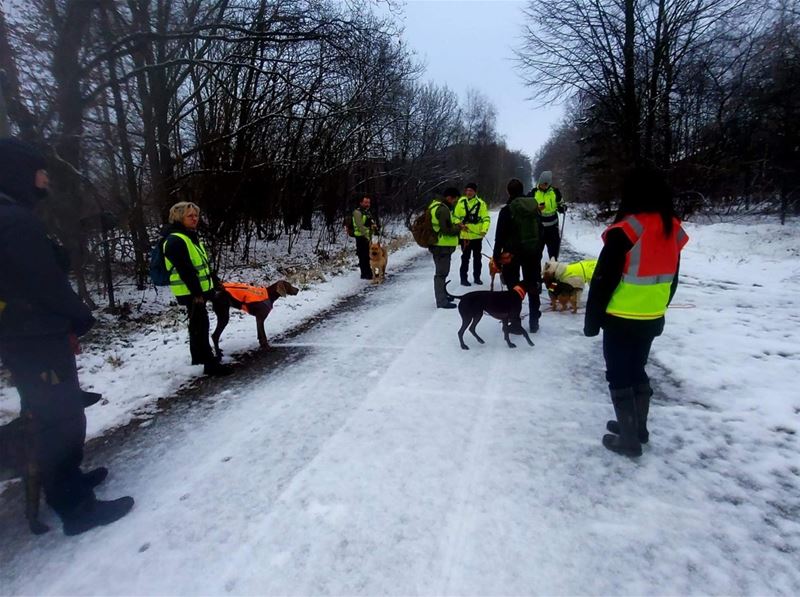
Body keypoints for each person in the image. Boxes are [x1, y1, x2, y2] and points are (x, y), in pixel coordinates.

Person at [0, 138, 134, 535]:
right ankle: (75, 507)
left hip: (27, 336)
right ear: (20, 172)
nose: (45, 177)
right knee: (57, 418)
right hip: (35, 337)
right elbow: (43, 283)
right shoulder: (13, 220)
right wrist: (79, 316)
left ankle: (69, 479)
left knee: (54, 412)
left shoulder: (14, 216)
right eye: (39, 170)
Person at [583, 165, 689, 457]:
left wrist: (592, 320)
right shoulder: (673, 228)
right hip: (652, 316)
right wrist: (661, 306)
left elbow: (603, 280)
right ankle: (637, 429)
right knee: (637, 369)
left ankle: (629, 441)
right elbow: (674, 276)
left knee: (618, 375)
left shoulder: (628, 229)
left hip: (620, 317)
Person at [163, 201, 231, 376]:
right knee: (201, 325)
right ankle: (210, 364)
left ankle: (199, 357)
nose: (195, 219)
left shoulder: (190, 237)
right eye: (190, 216)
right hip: (191, 291)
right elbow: (185, 269)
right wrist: (197, 293)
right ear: (179, 218)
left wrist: (215, 282)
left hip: (199, 289)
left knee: (197, 324)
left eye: (196, 215)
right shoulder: (175, 240)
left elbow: (202, 265)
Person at [493, 178, 544, 332]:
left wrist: (497, 258)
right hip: (532, 253)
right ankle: (534, 321)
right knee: (533, 286)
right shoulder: (534, 207)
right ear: (522, 190)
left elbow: (499, 237)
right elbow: (541, 232)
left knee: (513, 289)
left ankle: (515, 323)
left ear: (508, 192)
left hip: (512, 254)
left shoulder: (507, 210)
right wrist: (538, 251)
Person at [428, 187, 466, 309]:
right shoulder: (443, 209)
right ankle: (441, 301)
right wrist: (458, 228)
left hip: (437, 245)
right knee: (441, 274)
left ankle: (443, 295)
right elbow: (446, 230)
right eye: (454, 200)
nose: (454, 202)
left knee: (442, 273)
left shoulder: (434, 206)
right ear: (450, 197)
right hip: (442, 246)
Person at [454, 182, 490, 286]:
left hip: (477, 236)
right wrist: (459, 224)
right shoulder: (460, 202)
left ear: (475, 192)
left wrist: (484, 230)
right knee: (465, 258)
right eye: (467, 190)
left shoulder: (481, 203)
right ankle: (463, 278)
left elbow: (486, 219)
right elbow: (454, 217)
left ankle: (477, 277)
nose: (468, 192)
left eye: (471, 190)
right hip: (464, 236)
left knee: (477, 258)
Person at [531, 170, 565, 260]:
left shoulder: (555, 192)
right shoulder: (533, 193)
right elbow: (527, 208)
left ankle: (553, 272)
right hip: (538, 229)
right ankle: (536, 273)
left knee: (553, 254)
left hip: (553, 228)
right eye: (541, 183)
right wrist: (537, 208)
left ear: (549, 183)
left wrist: (562, 207)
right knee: (536, 255)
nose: (543, 185)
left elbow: (561, 203)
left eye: (545, 184)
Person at [352, 195, 381, 280]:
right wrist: (367, 233)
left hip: (367, 237)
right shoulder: (357, 212)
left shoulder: (367, 212)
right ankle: (364, 274)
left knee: (368, 256)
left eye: (368, 202)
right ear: (361, 202)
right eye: (365, 202)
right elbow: (359, 226)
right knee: (363, 256)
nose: (367, 204)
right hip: (360, 237)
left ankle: (371, 273)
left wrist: (375, 229)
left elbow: (369, 223)